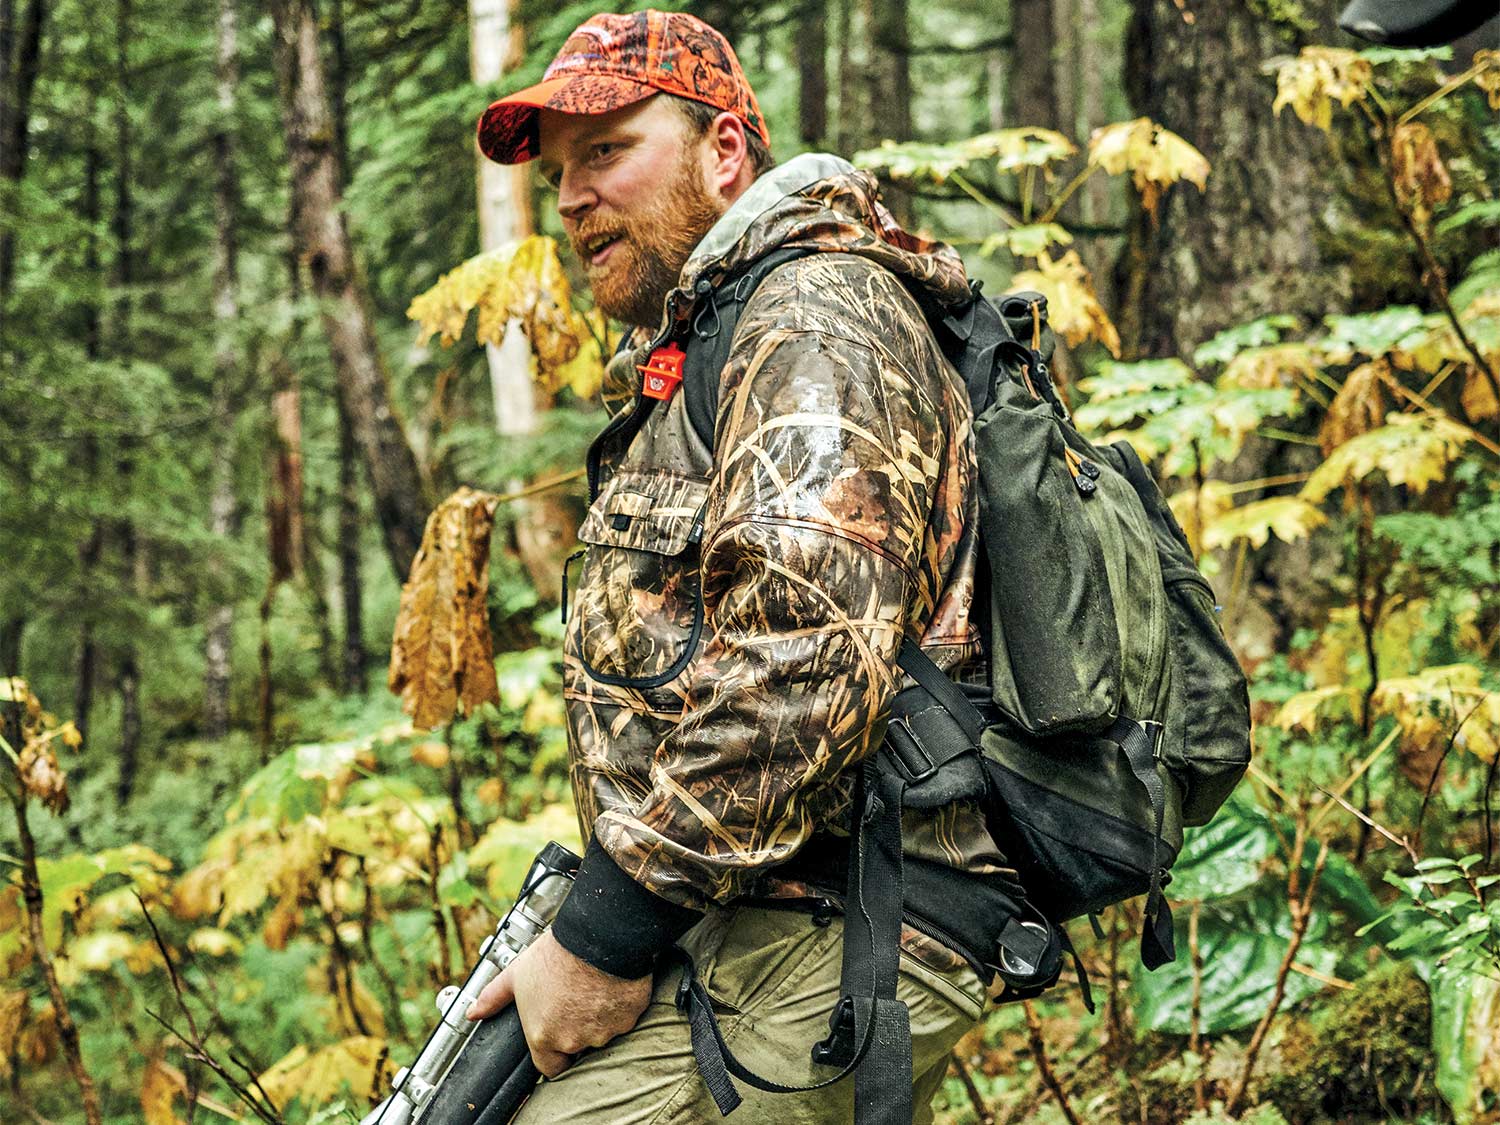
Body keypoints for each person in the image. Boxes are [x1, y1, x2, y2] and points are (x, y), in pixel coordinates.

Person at [466, 11, 1017, 1122]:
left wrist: (604, 935)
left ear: (725, 153)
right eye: (562, 175)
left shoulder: (811, 317)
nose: (572, 198)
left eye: (609, 151)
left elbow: (801, 659)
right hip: (761, 903)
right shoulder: (714, 339)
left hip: (865, 910)